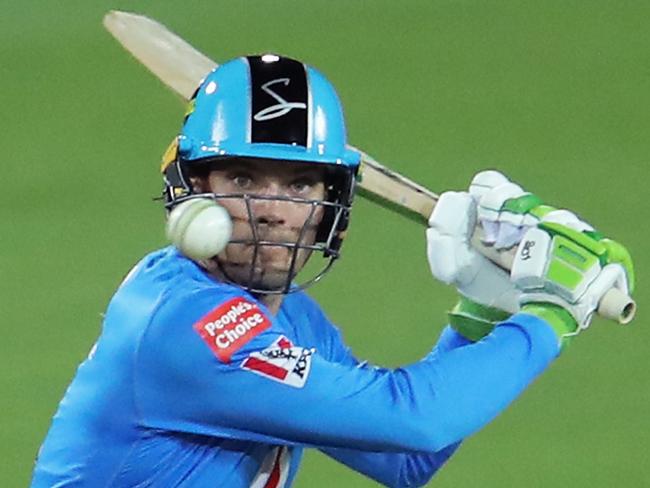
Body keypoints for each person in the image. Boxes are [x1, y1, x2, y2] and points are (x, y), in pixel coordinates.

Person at [31, 54, 634, 488]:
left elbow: (402, 463)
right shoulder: (184, 324)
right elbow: (413, 420)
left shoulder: (287, 319)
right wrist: (547, 315)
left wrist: (482, 310)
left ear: (329, 208)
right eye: (242, 178)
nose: (269, 210)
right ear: (191, 189)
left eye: (298, 184)